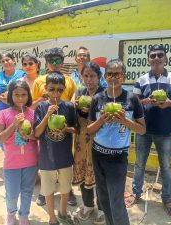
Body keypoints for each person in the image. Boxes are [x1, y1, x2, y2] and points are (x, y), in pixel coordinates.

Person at [128, 44, 171, 217]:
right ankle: (136, 193)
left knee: (166, 167)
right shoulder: (141, 80)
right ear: (148, 59)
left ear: (165, 58)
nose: (156, 58)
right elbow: (134, 103)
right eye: (153, 56)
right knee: (139, 164)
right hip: (143, 130)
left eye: (160, 55)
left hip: (165, 131)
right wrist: (145, 101)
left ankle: (167, 198)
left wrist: (169, 103)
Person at [87, 59, 146, 225]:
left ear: (123, 77)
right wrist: (102, 120)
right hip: (98, 154)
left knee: (116, 200)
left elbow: (142, 129)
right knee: (103, 197)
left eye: (117, 74)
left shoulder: (132, 99)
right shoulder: (98, 99)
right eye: (110, 74)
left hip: (118, 157)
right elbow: (90, 129)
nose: (113, 78)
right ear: (105, 76)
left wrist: (125, 120)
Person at [32, 47, 77, 206]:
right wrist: (46, 109)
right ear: (46, 62)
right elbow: (33, 104)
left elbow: (73, 102)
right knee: (47, 160)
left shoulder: (70, 81)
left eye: (58, 60)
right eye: (51, 60)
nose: (55, 63)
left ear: (63, 62)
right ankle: (45, 193)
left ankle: (68, 190)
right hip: (46, 127)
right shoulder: (39, 81)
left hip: (64, 124)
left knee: (64, 162)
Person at [0, 80, 38, 225]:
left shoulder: (32, 113)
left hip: (31, 162)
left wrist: (29, 135)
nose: (20, 98)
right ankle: (11, 214)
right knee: (12, 194)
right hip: (12, 163)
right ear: (10, 95)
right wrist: (13, 125)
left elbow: (37, 136)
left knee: (27, 191)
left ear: (28, 96)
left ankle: (24, 216)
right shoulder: (3, 113)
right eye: (16, 95)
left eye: (24, 95)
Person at [72, 62, 105, 224]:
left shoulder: (104, 94)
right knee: (83, 169)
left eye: (92, 76)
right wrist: (76, 108)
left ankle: (103, 208)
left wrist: (92, 109)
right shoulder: (79, 92)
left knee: (99, 173)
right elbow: (73, 117)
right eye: (86, 76)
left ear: (99, 77)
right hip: (81, 138)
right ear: (82, 77)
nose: (89, 79)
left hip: (99, 138)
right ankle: (87, 205)